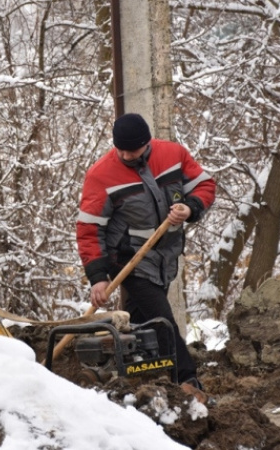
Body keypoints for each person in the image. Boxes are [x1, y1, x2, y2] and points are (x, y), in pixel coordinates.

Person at [76, 113, 216, 397]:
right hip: (127, 261)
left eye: (133, 149)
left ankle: (135, 378)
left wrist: (189, 208)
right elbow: (89, 230)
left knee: (142, 325)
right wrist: (98, 278)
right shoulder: (101, 174)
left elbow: (205, 186)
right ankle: (187, 382)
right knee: (162, 321)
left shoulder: (173, 154)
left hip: (165, 256)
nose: (127, 155)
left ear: (147, 142)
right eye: (121, 150)